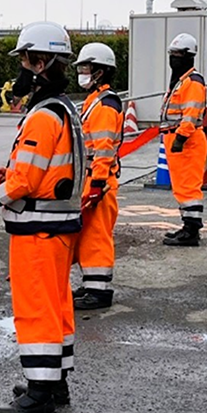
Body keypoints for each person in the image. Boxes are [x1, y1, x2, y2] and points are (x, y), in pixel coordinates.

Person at [0, 21, 85, 413]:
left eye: (24, 59)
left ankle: (39, 394)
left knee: (37, 308)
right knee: (57, 306)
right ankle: (55, 383)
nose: (20, 67)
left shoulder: (42, 116)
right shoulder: (65, 109)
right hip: (59, 227)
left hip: (38, 229)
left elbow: (27, 180)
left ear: (41, 61)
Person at [71, 43, 123, 310]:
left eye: (86, 68)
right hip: (92, 179)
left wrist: (98, 183)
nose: (81, 72)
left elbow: (103, 148)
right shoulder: (96, 101)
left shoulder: (104, 105)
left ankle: (99, 291)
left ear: (100, 71)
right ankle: (92, 283)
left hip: (98, 181)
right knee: (88, 235)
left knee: (97, 236)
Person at [160, 33, 207, 247]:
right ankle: (187, 225)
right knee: (181, 187)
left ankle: (191, 231)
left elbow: (191, 113)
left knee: (189, 187)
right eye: (172, 54)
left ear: (189, 56)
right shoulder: (181, 81)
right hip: (177, 139)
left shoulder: (192, 82)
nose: (173, 58)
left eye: (177, 54)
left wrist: (180, 137)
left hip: (187, 140)